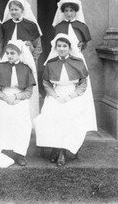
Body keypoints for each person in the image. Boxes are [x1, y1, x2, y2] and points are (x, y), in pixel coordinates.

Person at [34, 34, 97, 166]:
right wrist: (55, 96)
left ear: (69, 47)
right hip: (56, 94)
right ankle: (55, 148)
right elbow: (46, 83)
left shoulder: (78, 62)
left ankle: (62, 151)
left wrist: (71, 96)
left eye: (64, 46)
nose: (62, 49)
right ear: (55, 48)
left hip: (73, 95)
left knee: (69, 118)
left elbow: (83, 84)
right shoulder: (51, 63)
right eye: (59, 46)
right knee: (50, 117)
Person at [0, 40, 36, 166]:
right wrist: (6, 98)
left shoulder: (26, 68)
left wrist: (16, 96)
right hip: (3, 98)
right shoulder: (1, 67)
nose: (9, 56)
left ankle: (20, 153)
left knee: (21, 120)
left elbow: (28, 92)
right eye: (7, 53)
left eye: (13, 53)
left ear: (19, 54)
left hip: (20, 99)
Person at [1, 0, 41, 120]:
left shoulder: (31, 25)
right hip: (8, 57)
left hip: (26, 59)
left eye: (16, 9)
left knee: (25, 84)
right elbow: (2, 44)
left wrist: (33, 59)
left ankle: (28, 116)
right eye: (11, 9)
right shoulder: (6, 25)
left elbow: (38, 45)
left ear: (22, 10)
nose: (13, 12)